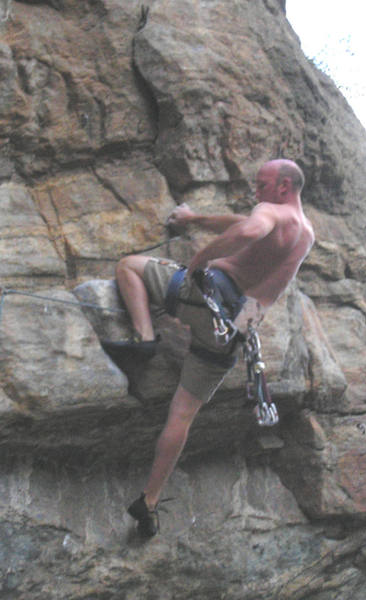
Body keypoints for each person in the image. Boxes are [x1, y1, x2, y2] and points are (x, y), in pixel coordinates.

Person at [106, 159, 315, 538]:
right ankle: (149, 501)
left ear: (284, 186)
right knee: (182, 416)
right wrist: (193, 219)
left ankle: (145, 336)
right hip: (233, 327)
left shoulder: (269, 212)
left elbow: (250, 228)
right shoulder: (303, 236)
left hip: (205, 293)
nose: (257, 190)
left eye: (263, 184)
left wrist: (198, 263)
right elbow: (267, 286)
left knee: (129, 267)